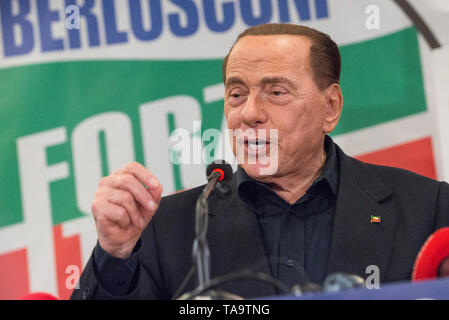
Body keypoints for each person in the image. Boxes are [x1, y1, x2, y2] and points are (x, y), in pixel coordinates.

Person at [71, 23, 449, 300]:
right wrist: (115, 255)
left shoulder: (426, 208)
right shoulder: (166, 227)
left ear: (330, 107)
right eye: (237, 94)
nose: (249, 113)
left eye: (276, 91)